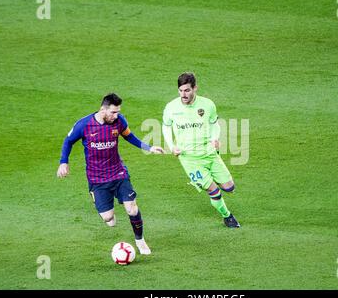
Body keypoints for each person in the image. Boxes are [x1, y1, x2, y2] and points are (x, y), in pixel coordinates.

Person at [57, 93, 164, 255]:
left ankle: (140, 240)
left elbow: (130, 137)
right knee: (109, 219)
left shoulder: (119, 121)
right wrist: (63, 162)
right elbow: (68, 141)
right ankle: (104, 208)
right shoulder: (84, 124)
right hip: (97, 178)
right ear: (103, 110)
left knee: (132, 208)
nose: (116, 115)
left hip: (118, 172)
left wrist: (148, 147)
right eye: (113, 112)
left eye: (118, 112)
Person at [162, 72, 240, 228]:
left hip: (209, 153)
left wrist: (215, 138)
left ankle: (209, 180)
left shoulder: (207, 105)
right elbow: (166, 126)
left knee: (229, 187)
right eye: (181, 90)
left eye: (187, 90)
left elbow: (214, 123)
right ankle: (227, 216)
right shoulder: (171, 107)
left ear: (195, 88)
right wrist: (172, 146)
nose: (183, 94)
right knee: (214, 191)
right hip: (189, 158)